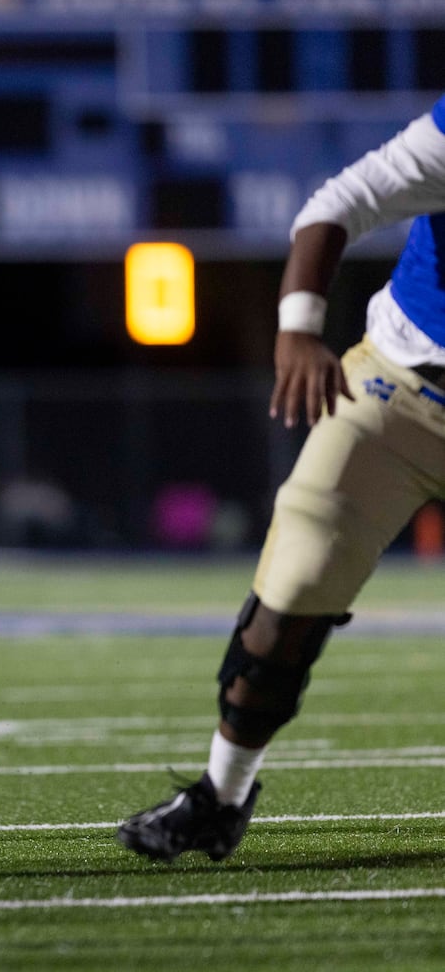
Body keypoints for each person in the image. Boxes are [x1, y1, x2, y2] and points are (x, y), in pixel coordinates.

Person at [117, 94, 445, 863]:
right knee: (286, 603)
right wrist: (298, 328)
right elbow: (338, 204)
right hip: (399, 387)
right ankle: (218, 798)